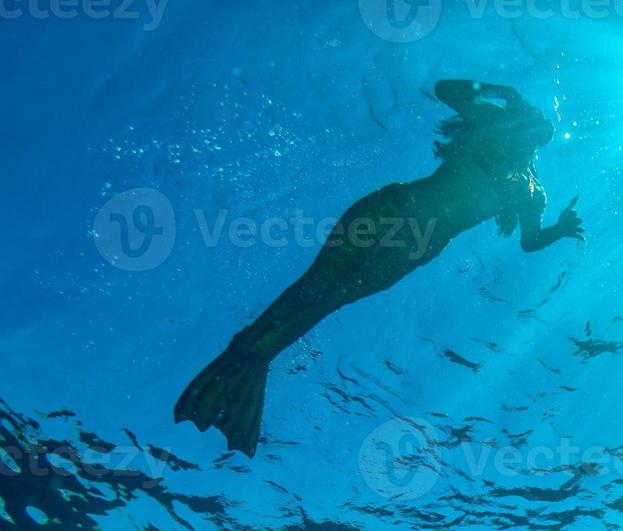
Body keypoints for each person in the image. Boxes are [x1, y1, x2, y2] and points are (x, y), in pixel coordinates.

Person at [174, 81, 584, 457]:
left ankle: (242, 371)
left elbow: (529, 241)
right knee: (312, 290)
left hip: (411, 249)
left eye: (552, 120)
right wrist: (501, 91)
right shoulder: (489, 125)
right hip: (390, 210)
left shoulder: (532, 192)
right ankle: (240, 365)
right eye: (543, 113)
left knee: (321, 303)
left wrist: (561, 229)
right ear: (527, 116)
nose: (548, 121)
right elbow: (447, 89)